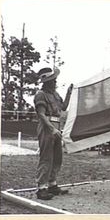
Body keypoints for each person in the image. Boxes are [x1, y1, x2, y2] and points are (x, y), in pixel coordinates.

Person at [33, 67, 73, 200]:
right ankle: (41, 188)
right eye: (53, 80)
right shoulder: (41, 94)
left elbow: (63, 107)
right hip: (47, 127)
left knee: (57, 157)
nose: (55, 82)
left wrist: (69, 93)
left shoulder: (55, 94)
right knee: (46, 158)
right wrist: (52, 129)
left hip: (56, 125)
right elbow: (41, 114)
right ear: (47, 82)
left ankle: (52, 184)